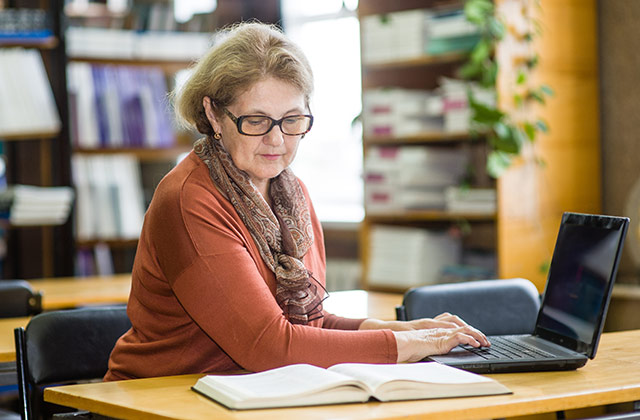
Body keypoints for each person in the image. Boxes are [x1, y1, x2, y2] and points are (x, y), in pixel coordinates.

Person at [104, 22, 489, 381]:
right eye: (256, 121)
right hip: (162, 400)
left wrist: (399, 329)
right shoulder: (190, 200)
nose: (277, 140)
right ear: (214, 115)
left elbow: (309, 326)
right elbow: (269, 346)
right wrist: (403, 346)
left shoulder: (291, 193)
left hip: (256, 394)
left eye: (292, 120)